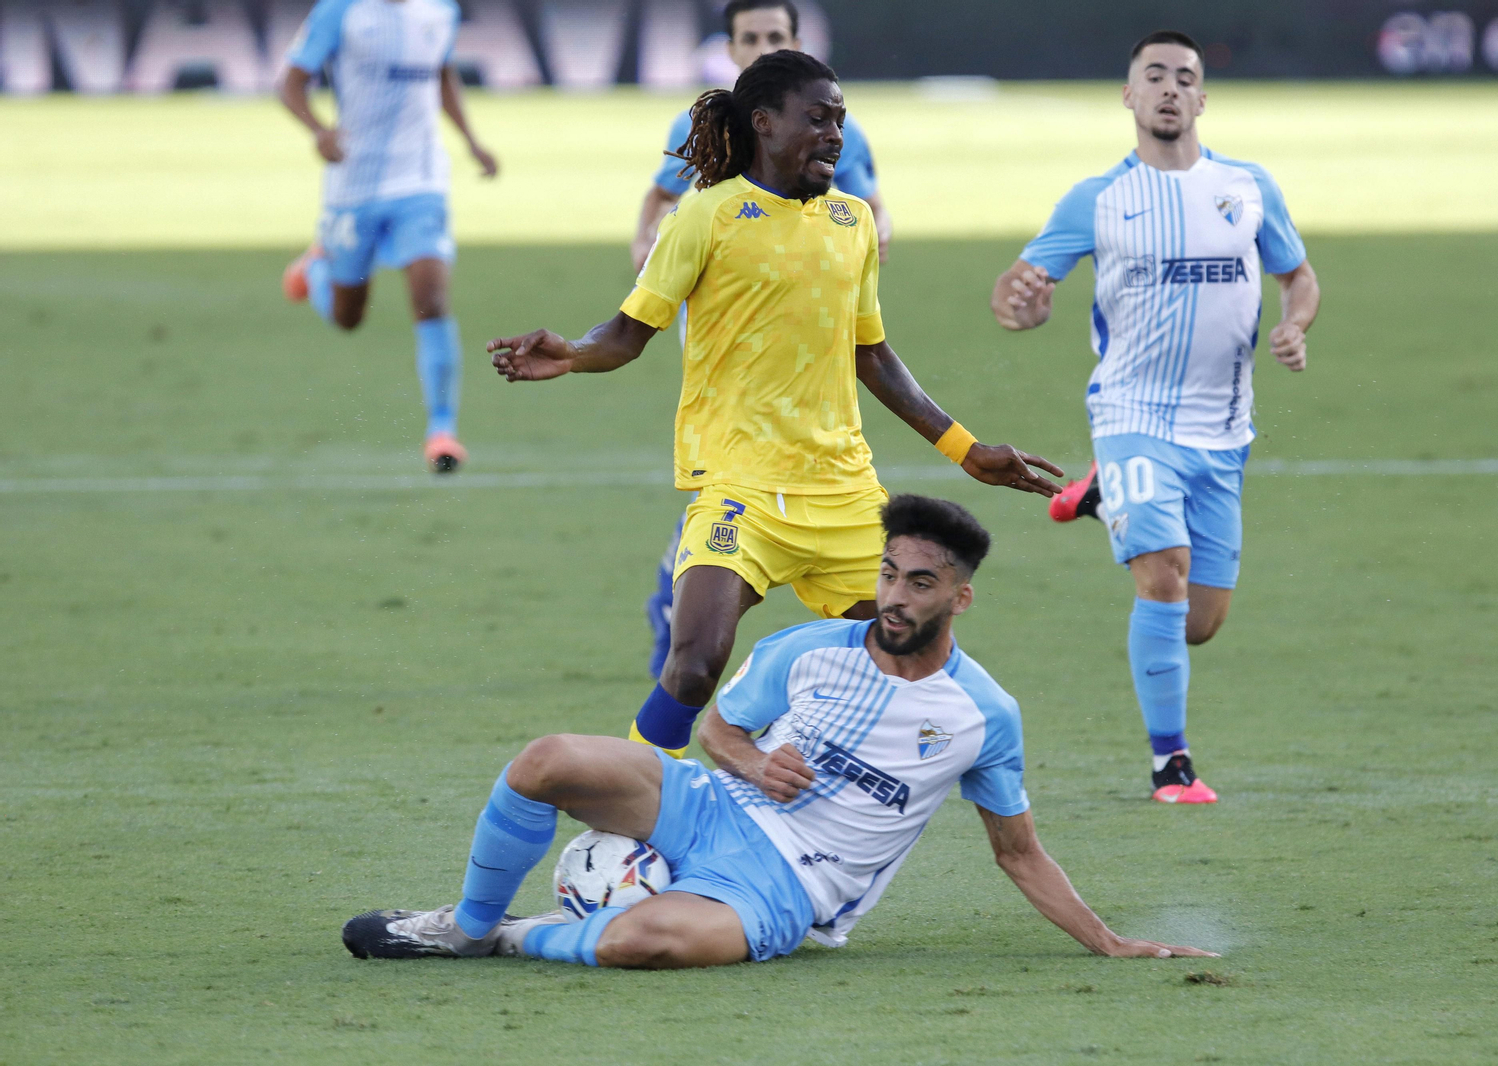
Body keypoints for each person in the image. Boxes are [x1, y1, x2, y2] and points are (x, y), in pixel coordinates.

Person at [341, 495, 1216, 967]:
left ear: (959, 596)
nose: (895, 597)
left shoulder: (982, 716)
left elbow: (1017, 852)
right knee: (545, 761)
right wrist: (755, 764)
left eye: (919, 582)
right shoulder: (808, 647)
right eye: (887, 574)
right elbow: (718, 729)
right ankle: (460, 927)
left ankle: (511, 937)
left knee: (646, 942)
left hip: (792, 890)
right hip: (712, 805)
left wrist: (1106, 940)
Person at [487, 51, 1064, 760]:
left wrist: (967, 451)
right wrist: (574, 352)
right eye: (817, 119)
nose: (834, 135)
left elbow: (872, 354)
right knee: (694, 664)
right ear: (763, 123)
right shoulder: (704, 216)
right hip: (740, 491)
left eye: (840, 121)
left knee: (909, 663)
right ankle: (636, 809)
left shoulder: (851, 224)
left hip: (844, 495)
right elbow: (629, 333)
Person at [990, 30, 1321, 804]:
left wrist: (1295, 323)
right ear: (1130, 96)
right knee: (1163, 577)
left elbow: (1298, 276)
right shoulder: (1097, 199)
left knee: (1200, 621)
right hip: (1132, 416)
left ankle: (1101, 491)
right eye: (1154, 77)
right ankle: (1170, 764)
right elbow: (1020, 288)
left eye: (1184, 78)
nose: (1170, 89)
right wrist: (1022, 305)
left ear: (1202, 99)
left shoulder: (1247, 188)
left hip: (1224, 432)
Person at [633, 0, 893, 678]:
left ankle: (773, 692)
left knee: (898, 636)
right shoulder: (705, 190)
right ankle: (668, 744)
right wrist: (648, 243)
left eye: (773, 37)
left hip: (816, 426)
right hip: (732, 400)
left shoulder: (838, 152)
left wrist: (867, 234)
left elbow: (864, 209)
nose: (759, 47)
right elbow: (662, 203)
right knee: (694, 633)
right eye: (749, 37)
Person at [278, 0, 499, 474]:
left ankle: (442, 430)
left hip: (421, 181)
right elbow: (290, 83)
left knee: (432, 300)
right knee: (347, 316)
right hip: (353, 185)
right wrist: (318, 131)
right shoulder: (341, 11)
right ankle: (316, 269)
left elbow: (441, 74)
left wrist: (471, 141)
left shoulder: (440, 12)